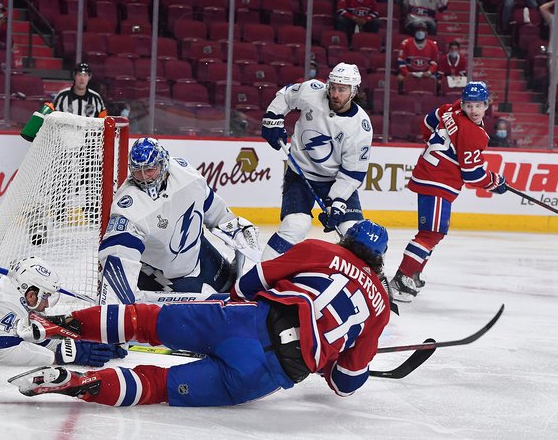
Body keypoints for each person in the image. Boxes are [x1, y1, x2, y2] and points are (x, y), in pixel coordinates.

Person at [8, 220, 392, 407]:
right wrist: (325, 361)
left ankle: (58, 324)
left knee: (145, 320)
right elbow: (345, 384)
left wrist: (232, 311)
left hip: (247, 321)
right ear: (377, 263)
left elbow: (252, 280)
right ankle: (83, 384)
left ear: (346, 240)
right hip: (265, 374)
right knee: (158, 386)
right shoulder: (379, 309)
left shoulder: (322, 251)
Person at [97, 137, 261, 305]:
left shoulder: (186, 174)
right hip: (166, 275)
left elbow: (213, 209)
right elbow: (117, 255)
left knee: (232, 289)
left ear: (163, 163)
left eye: (150, 170)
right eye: (138, 171)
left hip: (199, 252)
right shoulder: (128, 206)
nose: (145, 178)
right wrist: (116, 294)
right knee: (202, 319)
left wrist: (234, 226)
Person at [389, 82, 508, 302]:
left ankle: (412, 273)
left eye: (478, 106)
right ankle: (401, 280)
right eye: (469, 105)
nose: (473, 110)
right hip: (438, 181)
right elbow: (472, 175)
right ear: (463, 103)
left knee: (433, 233)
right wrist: (494, 182)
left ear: (486, 105)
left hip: (432, 176)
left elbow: (427, 122)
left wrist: (430, 139)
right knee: (430, 234)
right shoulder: (474, 133)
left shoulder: (450, 108)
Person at [260, 62, 373, 260]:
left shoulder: (360, 127)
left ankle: (358, 280)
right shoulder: (313, 91)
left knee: (353, 232)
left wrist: (336, 201)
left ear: (354, 91)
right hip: (299, 173)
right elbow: (287, 95)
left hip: (334, 179)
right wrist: (273, 116)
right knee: (296, 225)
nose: (335, 94)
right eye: (333, 87)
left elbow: (353, 173)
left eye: (342, 89)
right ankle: (260, 273)